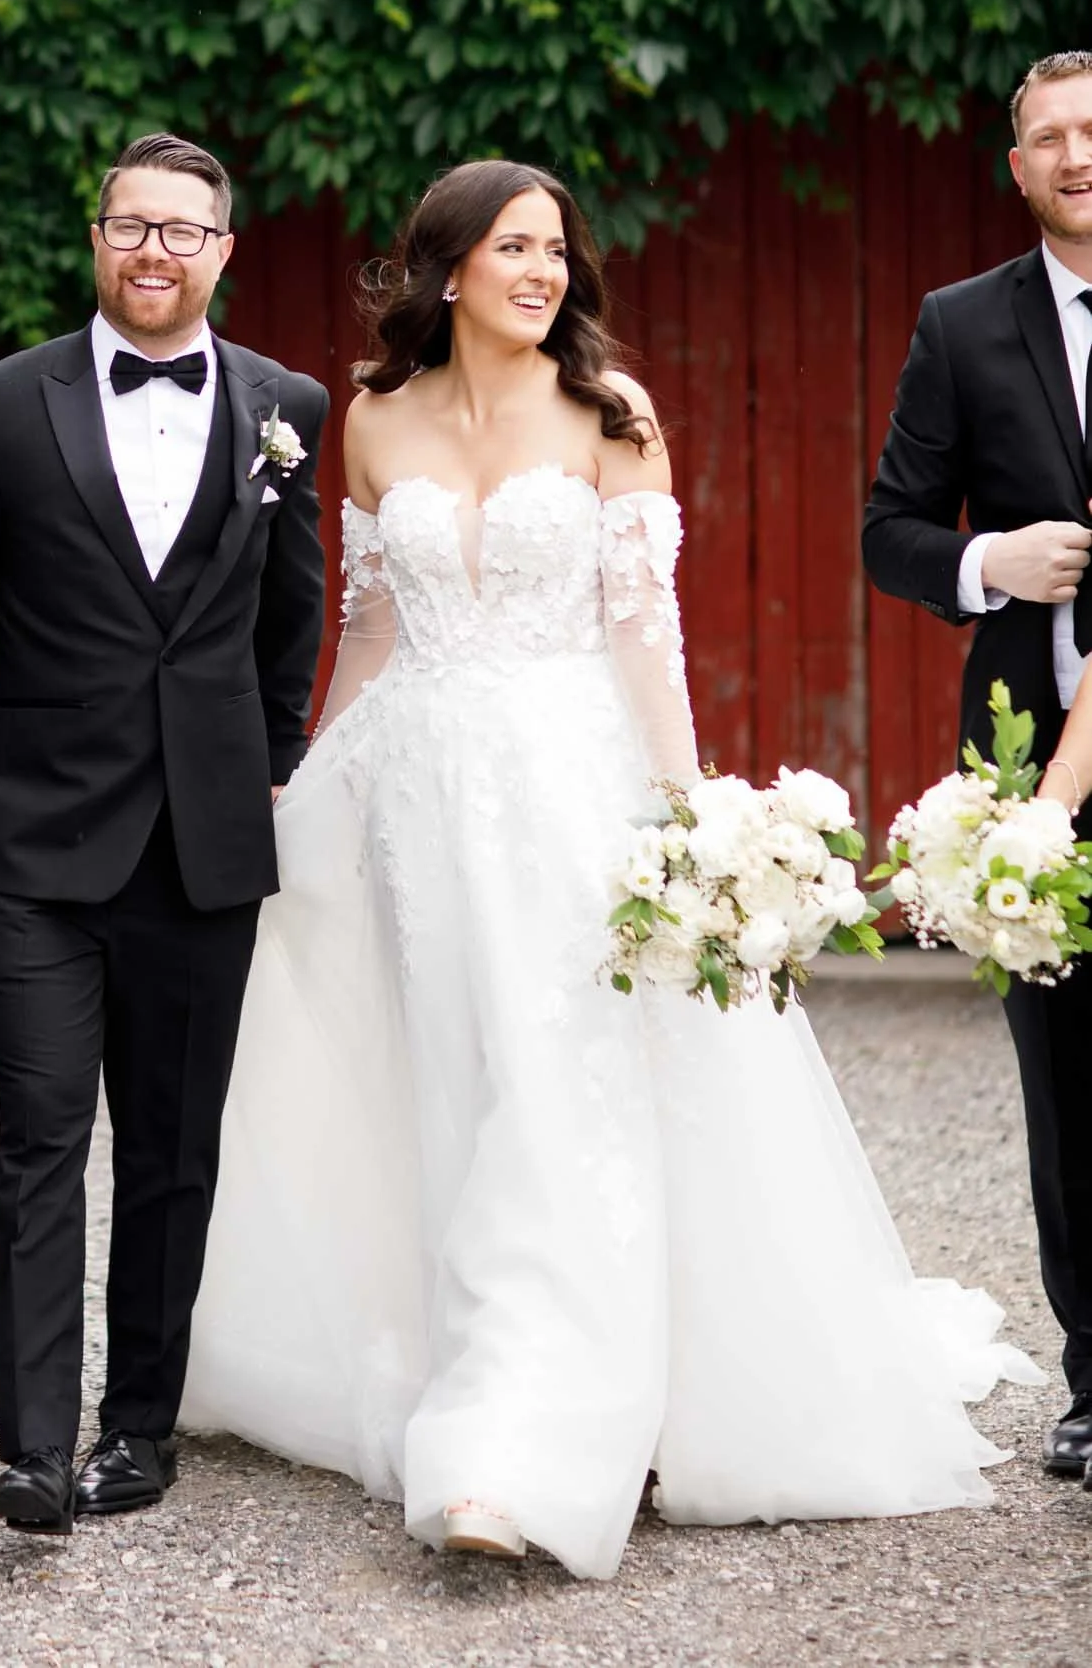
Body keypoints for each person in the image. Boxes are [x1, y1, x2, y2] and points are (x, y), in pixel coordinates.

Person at [181, 158, 1036, 1579]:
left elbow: (647, 638)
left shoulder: (609, 415)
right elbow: (372, 635)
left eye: (556, 252)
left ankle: (518, 1446)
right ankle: (446, 1354)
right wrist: (304, 797)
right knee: (437, 1080)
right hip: (408, 798)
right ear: (443, 268)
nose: (541, 272)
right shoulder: (373, 421)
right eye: (512, 248)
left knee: (551, 1085)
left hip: (564, 793)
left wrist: (688, 816)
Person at [0, 132, 328, 1536]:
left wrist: (262, 766)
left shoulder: (283, 407)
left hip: (201, 847)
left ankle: (136, 1427)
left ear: (221, 251)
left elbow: (291, 618)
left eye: (182, 232)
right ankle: (29, 1448)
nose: (153, 251)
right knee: (42, 1131)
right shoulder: (0, 406)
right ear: (96, 238)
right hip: (29, 839)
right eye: (131, 226)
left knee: (174, 1147)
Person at [865, 48, 1092, 1489]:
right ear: (1013, 167)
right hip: (1025, 771)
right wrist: (983, 562)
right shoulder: (959, 325)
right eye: (1049, 137)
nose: (1077, 154)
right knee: (1064, 1087)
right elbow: (888, 527)